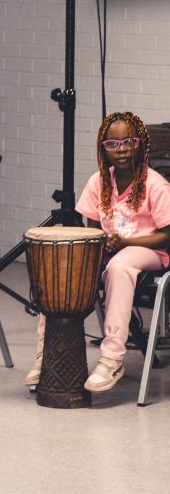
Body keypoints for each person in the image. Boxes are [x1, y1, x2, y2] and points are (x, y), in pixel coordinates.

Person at [25, 111, 170, 393]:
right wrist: (99, 247)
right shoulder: (98, 182)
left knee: (120, 266)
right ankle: (47, 354)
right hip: (111, 250)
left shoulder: (156, 185)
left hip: (151, 252)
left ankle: (113, 358)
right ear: (103, 149)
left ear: (141, 144)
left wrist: (125, 244)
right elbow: (92, 232)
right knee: (64, 270)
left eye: (129, 142)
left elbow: (166, 236)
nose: (122, 149)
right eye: (113, 144)